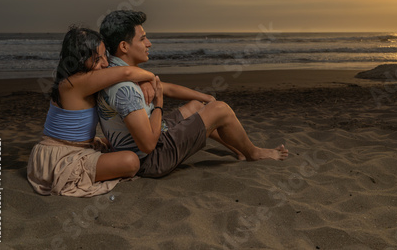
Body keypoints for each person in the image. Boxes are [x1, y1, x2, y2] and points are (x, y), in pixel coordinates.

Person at [97, 10, 288, 178]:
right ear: (124, 46)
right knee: (220, 109)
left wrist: (204, 98)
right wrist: (158, 104)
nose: (149, 43)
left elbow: (167, 87)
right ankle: (253, 153)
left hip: (154, 138)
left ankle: (238, 150)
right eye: (142, 39)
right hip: (152, 160)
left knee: (197, 106)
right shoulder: (125, 90)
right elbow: (148, 145)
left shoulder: (113, 71)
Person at [27, 26, 157, 197]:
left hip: (77, 146)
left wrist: (145, 82)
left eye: (105, 56)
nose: (105, 63)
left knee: (115, 142)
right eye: (97, 59)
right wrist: (150, 77)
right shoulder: (73, 83)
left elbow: (126, 75)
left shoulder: (87, 80)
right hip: (59, 157)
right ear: (80, 60)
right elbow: (126, 72)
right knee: (131, 161)